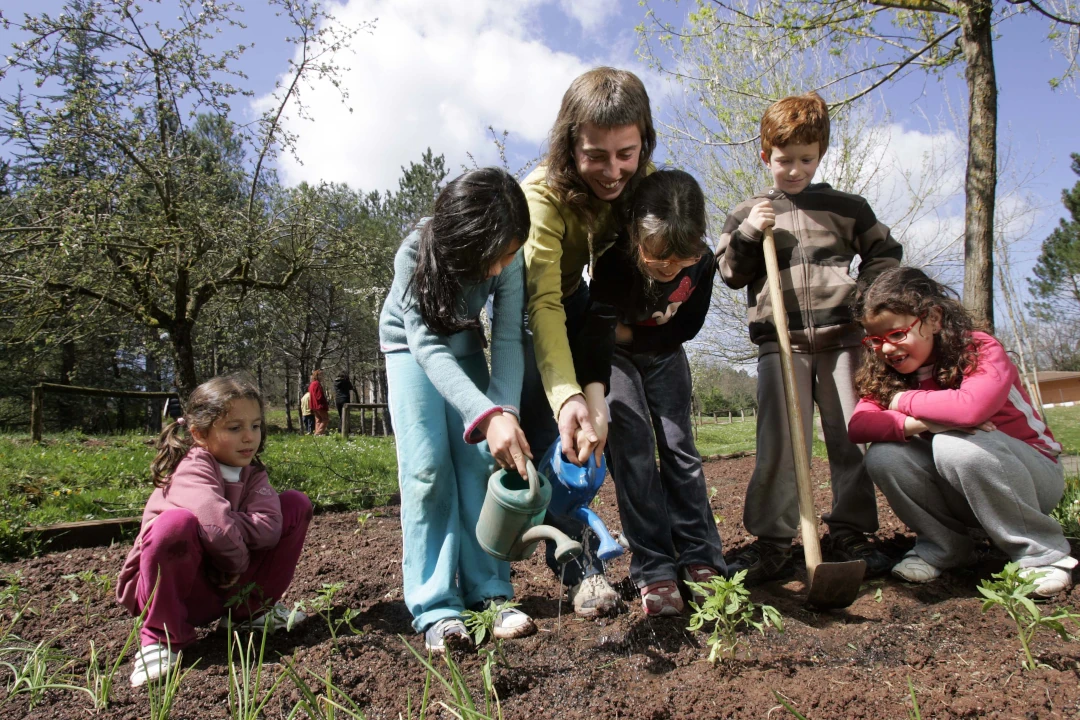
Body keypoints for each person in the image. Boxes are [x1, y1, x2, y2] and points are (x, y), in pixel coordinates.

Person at [716, 91, 903, 584]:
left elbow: (885, 252)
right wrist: (752, 233)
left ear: (820, 155)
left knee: (850, 437)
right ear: (765, 156)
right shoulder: (747, 212)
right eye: (784, 160)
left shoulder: (846, 207)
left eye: (806, 159)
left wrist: (865, 299)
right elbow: (731, 273)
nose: (795, 169)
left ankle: (850, 531)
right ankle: (773, 540)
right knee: (779, 442)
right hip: (782, 343)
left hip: (844, 340)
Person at [379, 167, 536, 653]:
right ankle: (437, 607)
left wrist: (503, 409)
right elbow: (426, 347)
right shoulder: (414, 254)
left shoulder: (508, 256)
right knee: (427, 472)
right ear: (464, 241)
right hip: (410, 349)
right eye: (493, 257)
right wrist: (485, 415)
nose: (499, 268)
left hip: (464, 344)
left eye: (508, 255)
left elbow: (508, 335)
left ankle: (490, 594)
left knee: (476, 465)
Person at [520, 66, 657, 617]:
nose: (613, 170)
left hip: (592, 310)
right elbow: (543, 303)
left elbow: (608, 293)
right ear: (568, 145)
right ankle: (569, 564)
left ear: (643, 141)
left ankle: (626, 565)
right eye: (595, 155)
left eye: (626, 152)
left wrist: (597, 387)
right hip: (533, 316)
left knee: (610, 433)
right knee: (542, 443)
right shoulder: (542, 199)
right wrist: (567, 395)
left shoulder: (640, 188)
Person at [849, 267, 1076, 598]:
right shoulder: (886, 374)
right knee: (883, 456)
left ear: (934, 319)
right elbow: (860, 426)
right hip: (963, 484)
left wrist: (901, 401)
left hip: (1032, 475)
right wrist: (931, 421)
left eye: (897, 334)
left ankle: (1041, 554)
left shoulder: (979, 349)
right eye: (876, 340)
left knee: (955, 445)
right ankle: (945, 547)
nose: (886, 349)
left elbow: (971, 410)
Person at [574, 170, 726, 616]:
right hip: (612, 358)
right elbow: (599, 330)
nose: (669, 270)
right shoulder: (613, 260)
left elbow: (686, 327)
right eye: (658, 261)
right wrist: (601, 380)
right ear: (635, 233)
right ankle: (655, 567)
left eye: (679, 262)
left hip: (664, 353)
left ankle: (700, 557)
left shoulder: (703, 262)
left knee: (680, 449)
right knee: (634, 447)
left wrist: (633, 335)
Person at [116, 375, 312, 687]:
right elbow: (214, 525)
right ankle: (160, 637)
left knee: (295, 504)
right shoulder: (192, 467)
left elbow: (270, 528)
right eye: (235, 428)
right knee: (174, 524)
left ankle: (249, 613)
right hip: (173, 591)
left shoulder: (252, 474)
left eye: (256, 426)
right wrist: (230, 557)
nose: (249, 437)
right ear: (199, 434)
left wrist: (226, 526)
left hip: (221, 588)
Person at [308, 369, 330, 435]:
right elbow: (319, 396)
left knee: (318, 420)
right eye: (321, 375)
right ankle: (318, 433)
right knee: (325, 419)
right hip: (319, 405)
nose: (323, 377)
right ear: (317, 376)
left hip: (314, 405)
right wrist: (325, 402)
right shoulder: (316, 384)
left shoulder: (312, 384)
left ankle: (317, 434)